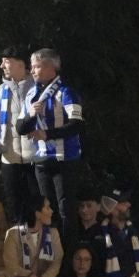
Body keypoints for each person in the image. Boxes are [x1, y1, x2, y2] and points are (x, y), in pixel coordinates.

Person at [18, 48, 87, 219]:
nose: (32, 71)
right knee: (47, 210)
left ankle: (68, 245)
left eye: (36, 67)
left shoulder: (66, 92)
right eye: (31, 67)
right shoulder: (31, 94)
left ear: (51, 68)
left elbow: (76, 125)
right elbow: (20, 128)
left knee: (65, 209)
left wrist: (48, 134)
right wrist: (30, 116)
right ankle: (51, 244)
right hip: (41, 159)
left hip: (64, 158)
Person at [0, 46, 41, 223]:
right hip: (9, 158)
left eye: (6, 61)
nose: (2, 66)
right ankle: (19, 247)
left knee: (38, 208)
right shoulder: (0, 91)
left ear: (22, 64)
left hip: (34, 158)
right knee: (15, 208)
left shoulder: (38, 88)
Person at [0, 199, 61, 277]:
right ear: (37, 214)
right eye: (47, 208)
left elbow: (57, 260)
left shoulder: (53, 233)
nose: (51, 211)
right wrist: (31, 276)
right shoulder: (13, 233)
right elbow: (11, 264)